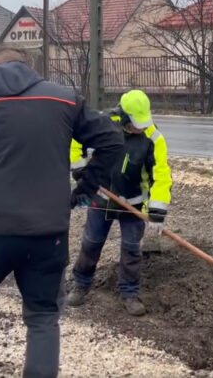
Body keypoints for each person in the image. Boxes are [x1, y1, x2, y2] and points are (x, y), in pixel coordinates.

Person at [0, 47, 123, 378]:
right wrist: (86, 188)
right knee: (43, 319)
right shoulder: (63, 99)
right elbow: (112, 141)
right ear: (28, 67)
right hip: (47, 235)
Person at [65, 89, 172, 316]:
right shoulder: (103, 124)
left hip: (133, 204)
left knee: (132, 249)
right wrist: (80, 169)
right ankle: (81, 283)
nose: (140, 128)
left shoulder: (153, 138)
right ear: (123, 116)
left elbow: (161, 176)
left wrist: (157, 211)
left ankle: (129, 293)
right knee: (91, 242)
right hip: (102, 196)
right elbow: (77, 141)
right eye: (135, 123)